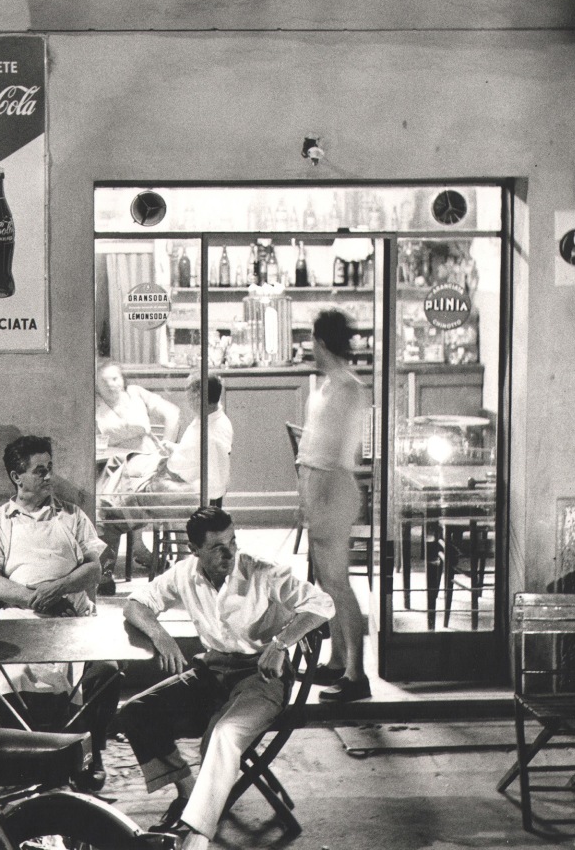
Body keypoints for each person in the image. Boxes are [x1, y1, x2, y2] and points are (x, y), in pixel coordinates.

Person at [120, 506, 334, 849]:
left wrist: (282, 643)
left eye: (232, 541)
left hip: (262, 678)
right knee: (135, 711)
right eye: (218, 547)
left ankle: (199, 834)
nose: (230, 552)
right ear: (195, 551)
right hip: (212, 672)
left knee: (222, 735)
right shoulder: (184, 573)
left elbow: (322, 604)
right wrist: (161, 636)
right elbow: (135, 605)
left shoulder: (260, 571)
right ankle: (188, 791)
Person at [0, 435, 120, 791]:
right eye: (40, 471)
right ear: (17, 476)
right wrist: (34, 599)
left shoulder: (72, 515)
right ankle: (13, 763)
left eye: (50, 468)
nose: (48, 477)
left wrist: (60, 588)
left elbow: (94, 569)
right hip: (22, 618)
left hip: (72, 615)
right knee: (0, 668)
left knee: (107, 671)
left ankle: (90, 754)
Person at [297, 309, 371, 702]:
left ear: (322, 342)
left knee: (338, 583)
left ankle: (357, 675)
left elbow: (333, 453)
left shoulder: (346, 388)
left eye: (312, 338)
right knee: (328, 582)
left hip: (332, 488)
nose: (310, 346)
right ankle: (338, 659)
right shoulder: (327, 385)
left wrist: (315, 497)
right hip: (319, 486)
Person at [96, 360, 181, 575]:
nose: (111, 385)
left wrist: (166, 446)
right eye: (104, 381)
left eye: (115, 378)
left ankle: (134, 549)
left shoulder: (136, 394)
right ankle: (123, 555)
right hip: (110, 465)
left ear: (123, 379)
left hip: (147, 461)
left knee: (126, 493)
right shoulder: (94, 404)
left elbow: (172, 413)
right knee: (109, 498)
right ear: (95, 385)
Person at [165, 375, 234, 507]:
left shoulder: (214, 433)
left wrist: (180, 490)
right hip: (175, 474)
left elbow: (215, 484)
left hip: (184, 488)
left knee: (131, 487)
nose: (189, 403)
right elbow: (194, 452)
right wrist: (174, 448)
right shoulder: (205, 418)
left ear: (200, 398)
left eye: (190, 398)